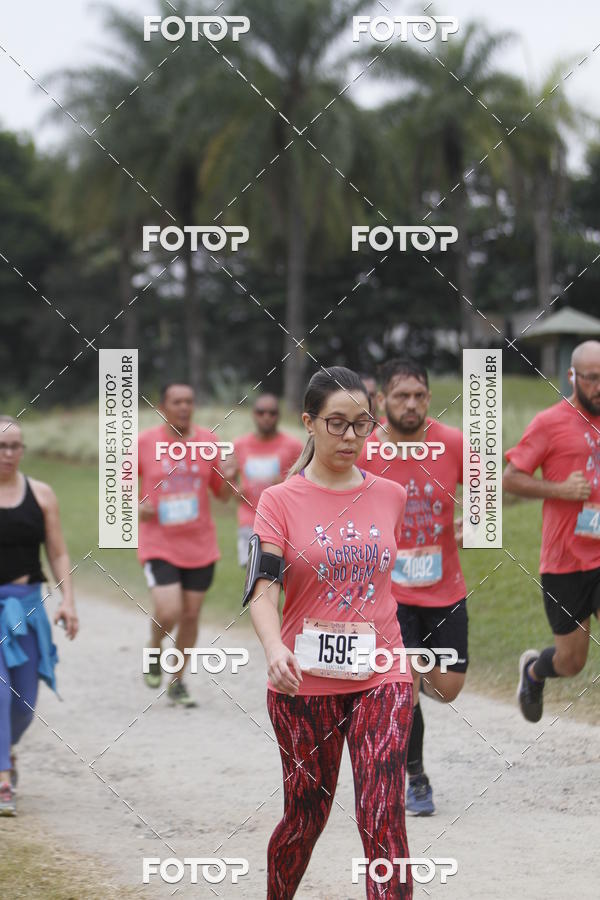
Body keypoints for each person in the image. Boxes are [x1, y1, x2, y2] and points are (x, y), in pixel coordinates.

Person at [245, 367, 414, 900]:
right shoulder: (278, 501)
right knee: (305, 817)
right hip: (303, 682)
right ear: (309, 424)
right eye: (336, 424)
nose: (349, 437)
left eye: (361, 425)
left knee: (382, 815)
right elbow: (263, 589)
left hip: (383, 672)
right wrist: (274, 648)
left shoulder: (390, 494)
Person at [359, 359, 466, 817]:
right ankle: (416, 777)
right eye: (401, 395)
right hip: (388, 594)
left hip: (444, 587)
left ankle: (407, 688)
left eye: (419, 394)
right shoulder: (364, 448)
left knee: (447, 687)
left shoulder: (453, 443)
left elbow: (488, 497)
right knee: (405, 682)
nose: (411, 403)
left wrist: (474, 524)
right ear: (382, 400)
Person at [504, 340, 600, 722]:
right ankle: (534, 671)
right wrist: (559, 490)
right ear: (572, 377)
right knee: (572, 661)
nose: (599, 387)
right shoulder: (549, 422)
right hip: (565, 560)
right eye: (592, 379)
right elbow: (511, 479)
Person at [138, 383, 237, 707]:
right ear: (162, 406)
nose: (184, 407)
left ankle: (177, 682)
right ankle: (154, 648)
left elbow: (221, 494)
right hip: (159, 543)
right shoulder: (144, 443)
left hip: (200, 545)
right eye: (176, 402)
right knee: (169, 611)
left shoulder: (208, 442)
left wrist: (232, 477)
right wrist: (136, 507)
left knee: (191, 616)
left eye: (189, 402)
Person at [0, 415, 78, 816]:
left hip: (28, 606)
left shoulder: (42, 495)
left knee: (24, 701)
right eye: (1, 446)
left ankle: (6, 749)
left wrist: (68, 600)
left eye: (15, 446)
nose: (9, 454)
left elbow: (58, 551)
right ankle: (2, 780)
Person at [233, 394, 302, 567]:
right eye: (261, 412)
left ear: (278, 415)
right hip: (249, 520)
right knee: (255, 575)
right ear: (254, 414)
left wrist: (285, 483)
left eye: (272, 413)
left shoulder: (293, 446)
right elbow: (229, 478)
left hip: (282, 521)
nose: (267, 417)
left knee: (280, 575)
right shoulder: (239, 445)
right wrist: (235, 488)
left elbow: (305, 482)